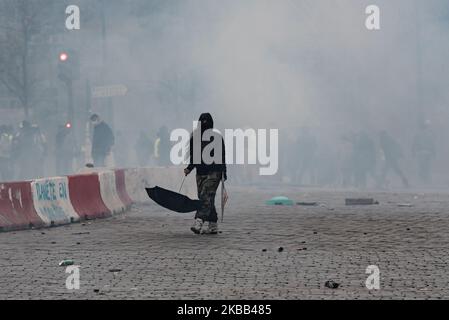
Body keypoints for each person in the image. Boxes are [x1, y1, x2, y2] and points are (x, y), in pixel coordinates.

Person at [184, 113, 227, 235]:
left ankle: (198, 222)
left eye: (207, 121)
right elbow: (194, 157)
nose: (204, 124)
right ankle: (213, 224)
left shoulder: (217, 138)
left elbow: (222, 156)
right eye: (202, 121)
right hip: (201, 172)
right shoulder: (195, 138)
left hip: (215, 172)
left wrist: (224, 173)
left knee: (205, 196)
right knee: (207, 198)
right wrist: (189, 168)